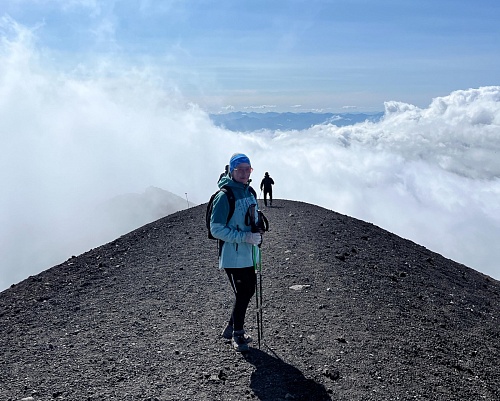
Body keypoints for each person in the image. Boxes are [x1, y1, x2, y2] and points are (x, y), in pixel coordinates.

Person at [210, 153, 263, 352]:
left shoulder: (249, 191)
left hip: (248, 253)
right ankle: (237, 334)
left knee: (248, 291)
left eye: (247, 169)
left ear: (251, 171)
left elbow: (253, 219)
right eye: (238, 169)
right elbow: (216, 229)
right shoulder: (225, 196)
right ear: (231, 171)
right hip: (233, 255)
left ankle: (231, 327)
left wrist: (257, 230)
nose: (243, 173)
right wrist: (245, 237)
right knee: (243, 293)